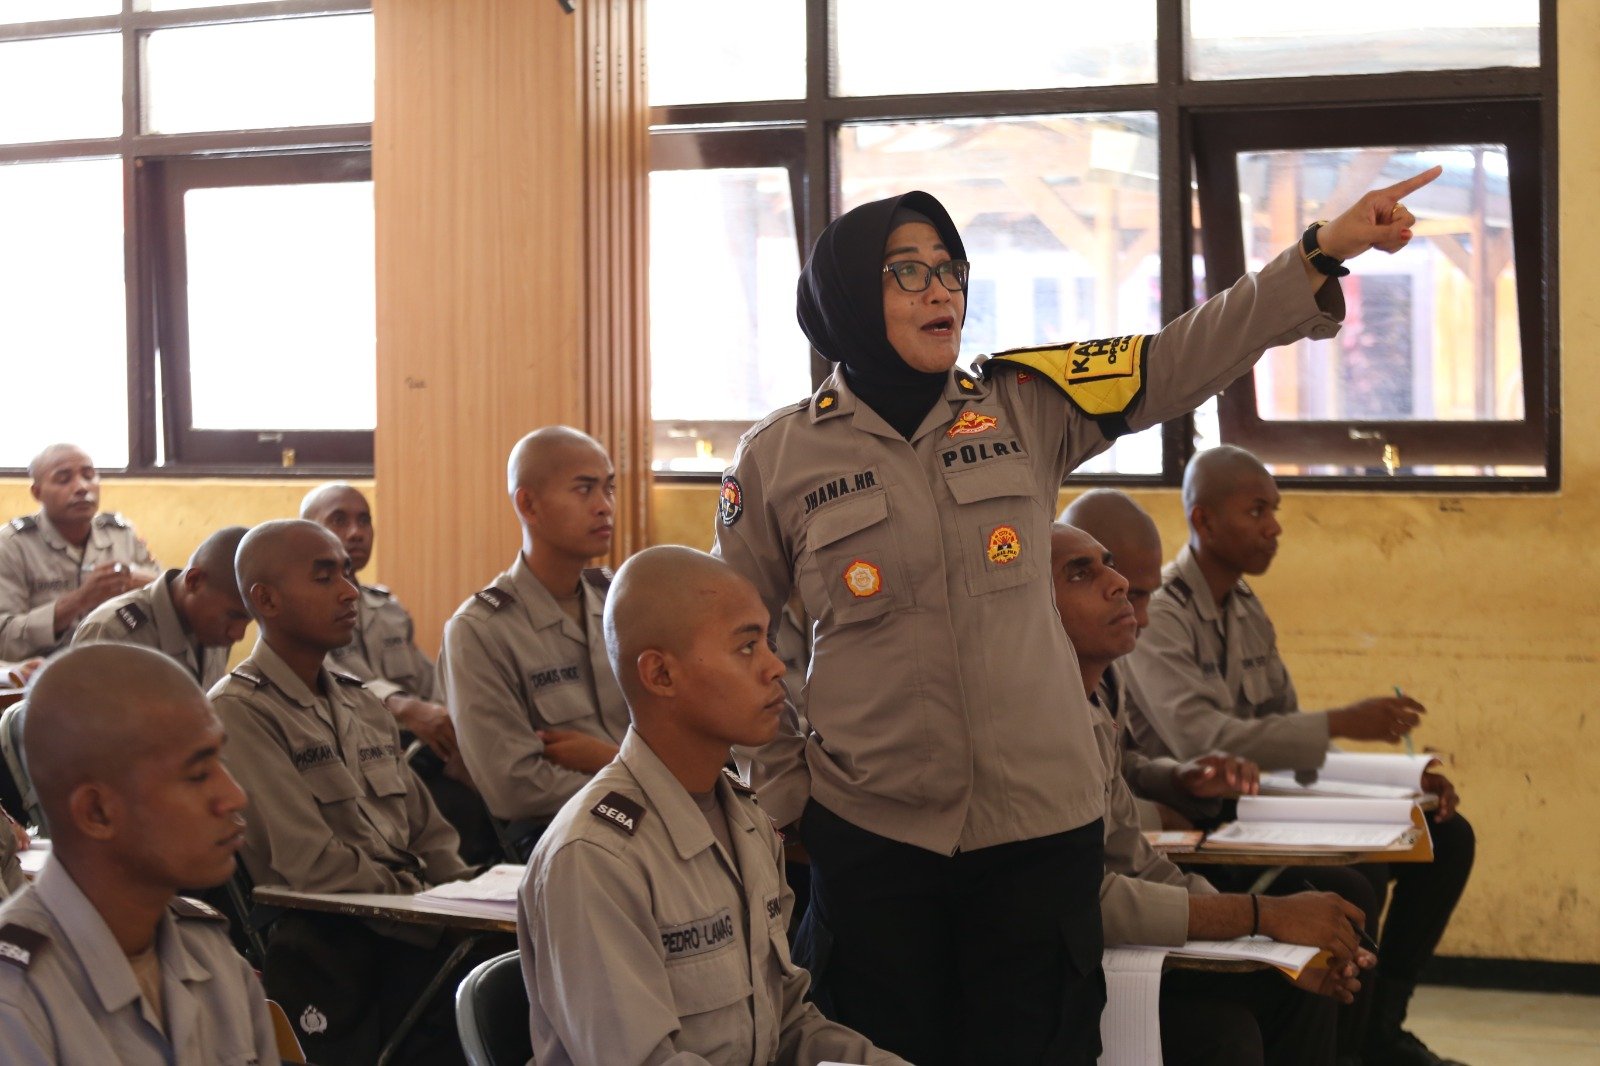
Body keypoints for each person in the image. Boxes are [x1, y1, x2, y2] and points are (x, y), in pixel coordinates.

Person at [714, 169, 1441, 1063]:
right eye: (908, 271)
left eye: (951, 268)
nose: (941, 289)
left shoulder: (1024, 404)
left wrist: (1318, 253)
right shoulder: (778, 458)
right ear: (848, 297)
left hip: (1038, 838)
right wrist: (788, 792)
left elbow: (1176, 358)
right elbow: (733, 635)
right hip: (875, 841)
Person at [1123, 445, 1475, 1066]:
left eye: (1276, 510)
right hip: (1206, 813)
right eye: (1257, 510)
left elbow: (1287, 728)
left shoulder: (1246, 608)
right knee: (1358, 879)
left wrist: (1405, 787)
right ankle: (1350, 1048)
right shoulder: (1161, 611)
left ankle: (1382, 1027)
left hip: (1268, 799)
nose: (1275, 527)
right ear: (1204, 520)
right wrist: (1342, 721)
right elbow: (1203, 740)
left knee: (1445, 835)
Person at [520, 545, 909, 1066]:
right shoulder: (596, 857)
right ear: (661, 675)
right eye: (746, 647)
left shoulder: (746, 820)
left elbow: (788, 1025)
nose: (775, 667)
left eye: (768, 642)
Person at [1051, 520, 1369, 1066]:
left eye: (1111, 566)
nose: (1120, 586)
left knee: (1304, 972)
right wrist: (1259, 916)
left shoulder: (1097, 695)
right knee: (1224, 1035)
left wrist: (1267, 939)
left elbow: (1134, 856)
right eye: (1081, 574)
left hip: (1149, 880)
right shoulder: (1030, 727)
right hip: (1048, 972)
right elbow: (1082, 898)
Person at [210, 519, 478, 1066]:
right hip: (340, 937)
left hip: (414, 920)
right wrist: (422, 900)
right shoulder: (240, 711)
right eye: (324, 576)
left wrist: (467, 896)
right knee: (502, 981)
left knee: (533, 945)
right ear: (267, 600)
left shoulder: (362, 703)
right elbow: (310, 863)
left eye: (348, 574)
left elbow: (432, 835)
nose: (349, 592)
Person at [0, 644, 278, 1064]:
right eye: (198, 774)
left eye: (221, 762)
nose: (234, 796)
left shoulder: (211, 955)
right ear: (97, 812)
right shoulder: (16, 997)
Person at [440, 427, 630, 857]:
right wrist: (642, 782)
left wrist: (606, 757)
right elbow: (514, 788)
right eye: (584, 489)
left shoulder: (621, 601)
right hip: (564, 839)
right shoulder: (480, 630)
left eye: (608, 488)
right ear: (528, 504)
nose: (604, 506)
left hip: (653, 821)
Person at [301, 482, 497, 864]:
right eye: (339, 520)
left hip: (422, 753)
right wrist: (404, 708)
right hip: (358, 764)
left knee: (496, 782)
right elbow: (329, 678)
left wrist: (456, 729)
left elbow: (431, 682)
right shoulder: (303, 610)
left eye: (364, 521)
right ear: (307, 530)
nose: (356, 532)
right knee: (460, 813)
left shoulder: (386, 608)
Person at [0, 444, 158, 660]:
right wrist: (79, 600)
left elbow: (166, 598)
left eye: (89, 476)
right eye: (64, 479)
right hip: (43, 672)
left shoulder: (122, 534)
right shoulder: (12, 545)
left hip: (118, 665)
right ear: (37, 492)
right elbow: (4, 638)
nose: (82, 487)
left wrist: (142, 585)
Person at [73, 525, 251, 689]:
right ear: (194, 581)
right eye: (232, 615)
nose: (238, 634)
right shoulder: (111, 634)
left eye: (250, 619)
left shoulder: (216, 634)